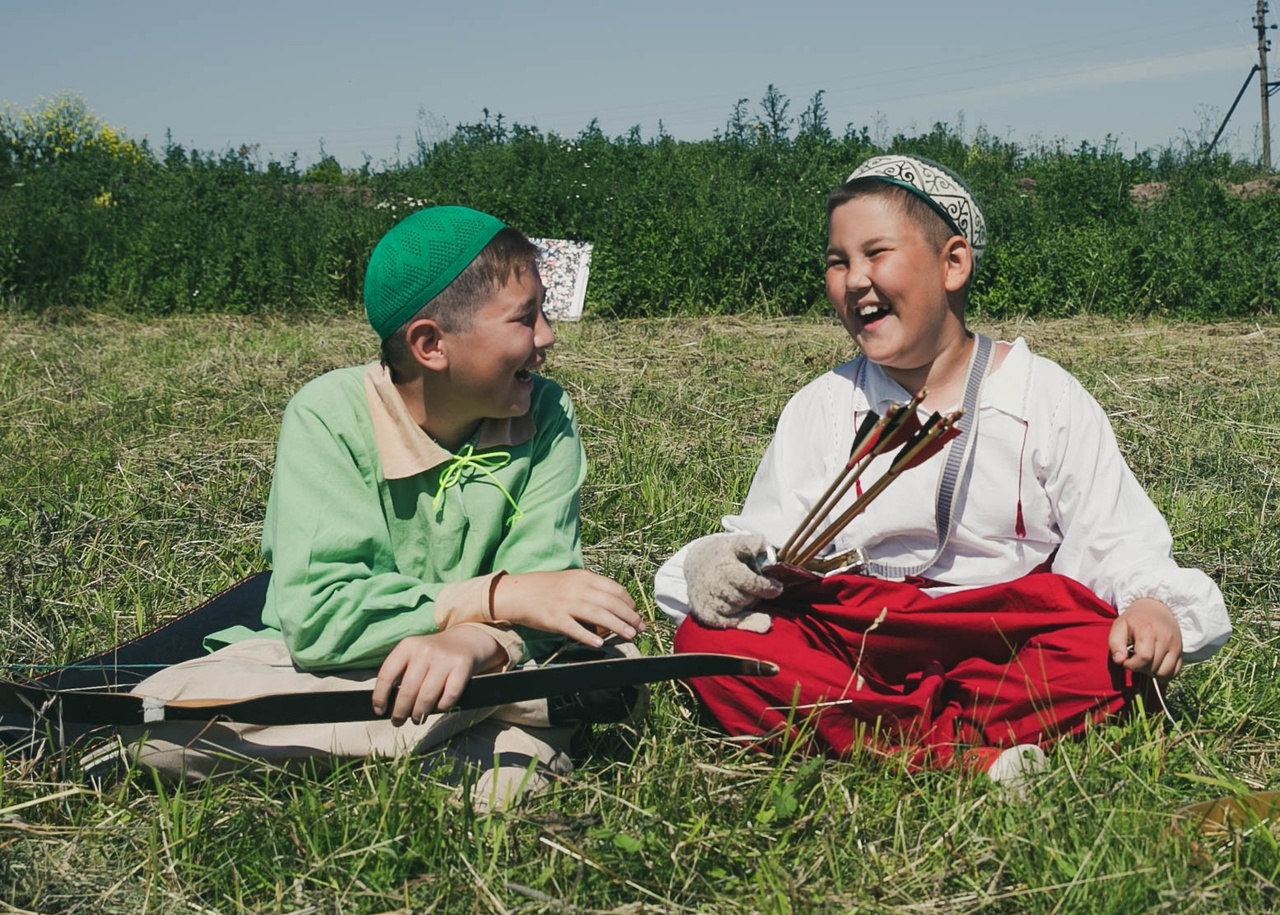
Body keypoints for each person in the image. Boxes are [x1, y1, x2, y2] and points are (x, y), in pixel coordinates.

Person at [654, 155, 1231, 786]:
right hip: (861, 637)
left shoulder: (1043, 394)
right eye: (837, 260)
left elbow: (1114, 536)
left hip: (1004, 640)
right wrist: (722, 568)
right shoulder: (822, 406)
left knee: (1114, 655)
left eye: (876, 252)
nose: (854, 279)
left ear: (953, 263)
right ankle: (965, 751)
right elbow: (768, 544)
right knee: (712, 646)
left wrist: (1150, 605)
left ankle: (883, 737)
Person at [118, 205, 646, 811]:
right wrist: (488, 602)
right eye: (526, 318)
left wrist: (479, 645)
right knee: (160, 724)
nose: (548, 336)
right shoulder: (329, 415)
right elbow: (318, 622)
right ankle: (525, 716)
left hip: (493, 656)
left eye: (544, 310)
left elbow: (549, 586)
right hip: (346, 666)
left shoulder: (546, 412)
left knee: (602, 672)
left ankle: (381, 745)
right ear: (430, 345)